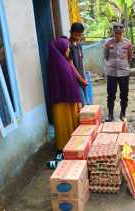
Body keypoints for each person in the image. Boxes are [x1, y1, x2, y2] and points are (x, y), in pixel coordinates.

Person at [47, 37, 81, 166]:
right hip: (62, 101)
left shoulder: (62, 61)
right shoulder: (59, 63)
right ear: (61, 48)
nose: (68, 50)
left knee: (69, 123)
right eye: (67, 47)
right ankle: (63, 147)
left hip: (68, 99)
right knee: (63, 124)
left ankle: (71, 146)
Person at [104, 23, 133, 122]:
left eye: (120, 33)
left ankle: (123, 113)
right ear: (113, 32)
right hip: (111, 72)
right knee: (111, 94)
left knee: (124, 94)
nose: (118, 35)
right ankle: (110, 115)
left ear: (122, 32)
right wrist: (110, 65)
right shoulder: (108, 43)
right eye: (116, 33)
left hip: (124, 72)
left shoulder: (127, 43)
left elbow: (130, 57)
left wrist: (126, 66)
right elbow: (106, 56)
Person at [69, 22, 89, 106]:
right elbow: (71, 64)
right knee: (82, 103)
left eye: (80, 35)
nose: (78, 37)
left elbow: (81, 62)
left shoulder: (79, 45)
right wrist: (80, 79)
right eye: (76, 35)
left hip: (82, 78)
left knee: (87, 102)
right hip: (75, 79)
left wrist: (84, 77)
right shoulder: (68, 46)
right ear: (71, 32)